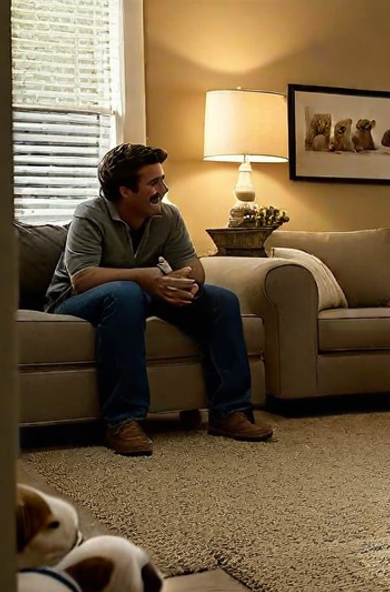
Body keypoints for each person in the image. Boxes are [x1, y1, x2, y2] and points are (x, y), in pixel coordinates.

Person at [44, 143, 273, 455]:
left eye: (162, 180)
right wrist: (146, 277)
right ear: (125, 191)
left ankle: (230, 411)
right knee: (126, 294)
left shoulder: (167, 216)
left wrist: (178, 282)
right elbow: (82, 279)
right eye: (154, 183)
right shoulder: (90, 214)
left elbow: (196, 269)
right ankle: (122, 420)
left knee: (221, 300)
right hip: (73, 302)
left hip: (140, 293)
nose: (164, 189)